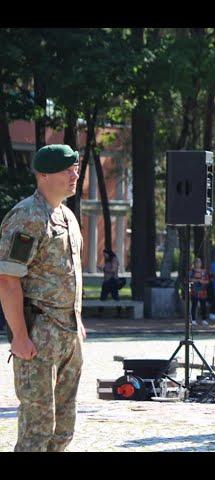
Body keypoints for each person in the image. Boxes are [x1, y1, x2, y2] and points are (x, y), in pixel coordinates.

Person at [0, 144, 85, 451]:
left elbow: (70, 274)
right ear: (45, 175)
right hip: (39, 335)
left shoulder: (67, 217)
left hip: (68, 337)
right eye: (67, 169)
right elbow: (8, 279)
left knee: (63, 429)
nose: (75, 174)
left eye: (75, 168)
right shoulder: (27, 216)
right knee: (37, 430)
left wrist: (78, 323)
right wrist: (20, 336)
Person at [189, 257, 209, 326]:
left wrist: (202, 281)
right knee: (194, 305)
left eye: (199, 262)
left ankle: (204, 320)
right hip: (194, 291)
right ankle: (193, 320)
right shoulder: (191, 271)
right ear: (194, 263)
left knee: (203, 306)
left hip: (202, 292)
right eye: (197, 262)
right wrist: (197, 280)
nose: (198, 264)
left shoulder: (204, 272)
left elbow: (207, 281)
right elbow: (189, 280)